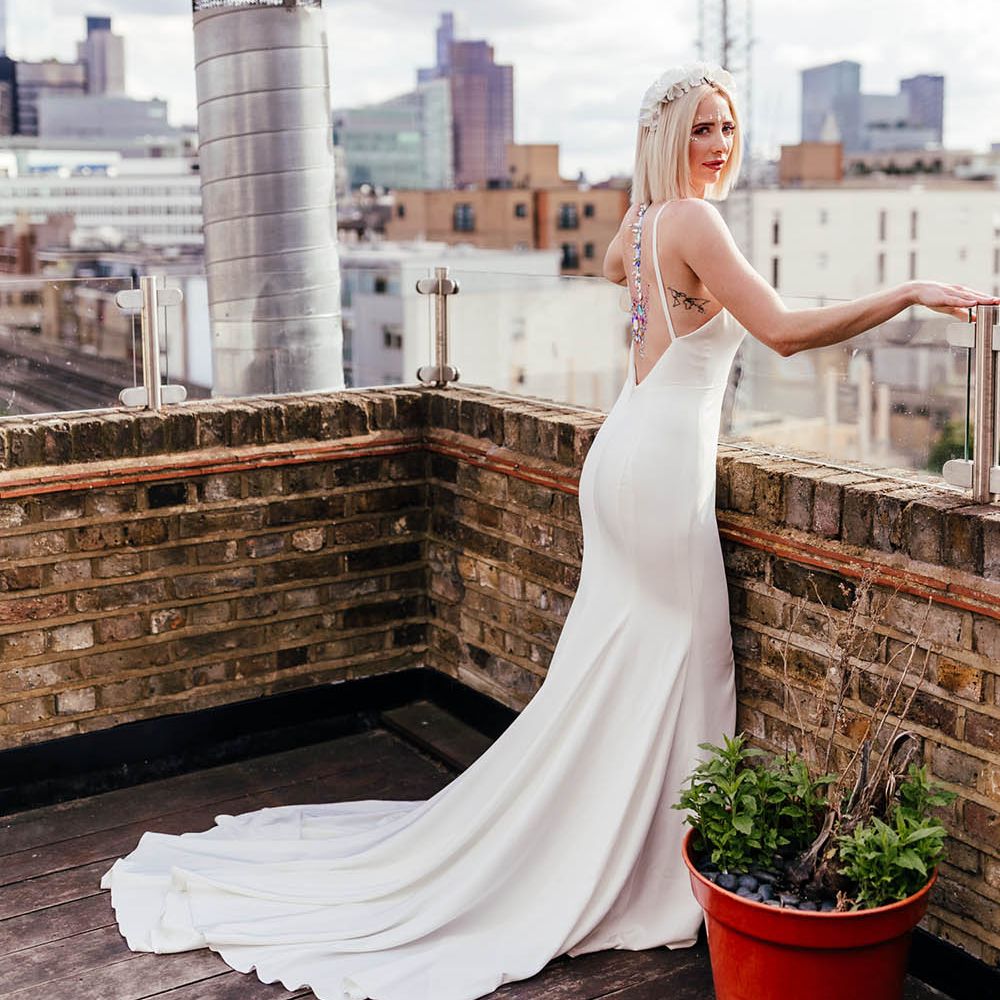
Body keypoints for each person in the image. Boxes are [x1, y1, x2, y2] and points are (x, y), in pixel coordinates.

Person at [99, 64, 999, 1000]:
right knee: (687, 657)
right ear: (668, 139)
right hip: (656, 468)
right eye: (702, 128)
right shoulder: (692, 221)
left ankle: (625, 853)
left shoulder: (642, 225)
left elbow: (619, 272)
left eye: (728, 125)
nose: (721, 144)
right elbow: (780, 332)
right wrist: (908, 293)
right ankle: (650, 873)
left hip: (624, 456)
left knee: (620, 665)